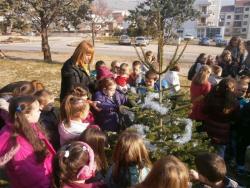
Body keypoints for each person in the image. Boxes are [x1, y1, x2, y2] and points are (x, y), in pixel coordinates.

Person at [0, 95, 55, 188]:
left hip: (46, 173)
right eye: (38, 110)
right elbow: (31, 176)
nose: (40, 111)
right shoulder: (19, 146)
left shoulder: (29, 125)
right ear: (26, 115)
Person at [203, 78, 239, 158]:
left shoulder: (212, 97)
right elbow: (235, 118)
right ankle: (219, 168)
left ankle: (204, 165)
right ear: (232, 89)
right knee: (220, 150)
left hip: (210, 126)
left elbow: (204, 111)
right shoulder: (235, 103)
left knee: (207, 147)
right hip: (223, 130)